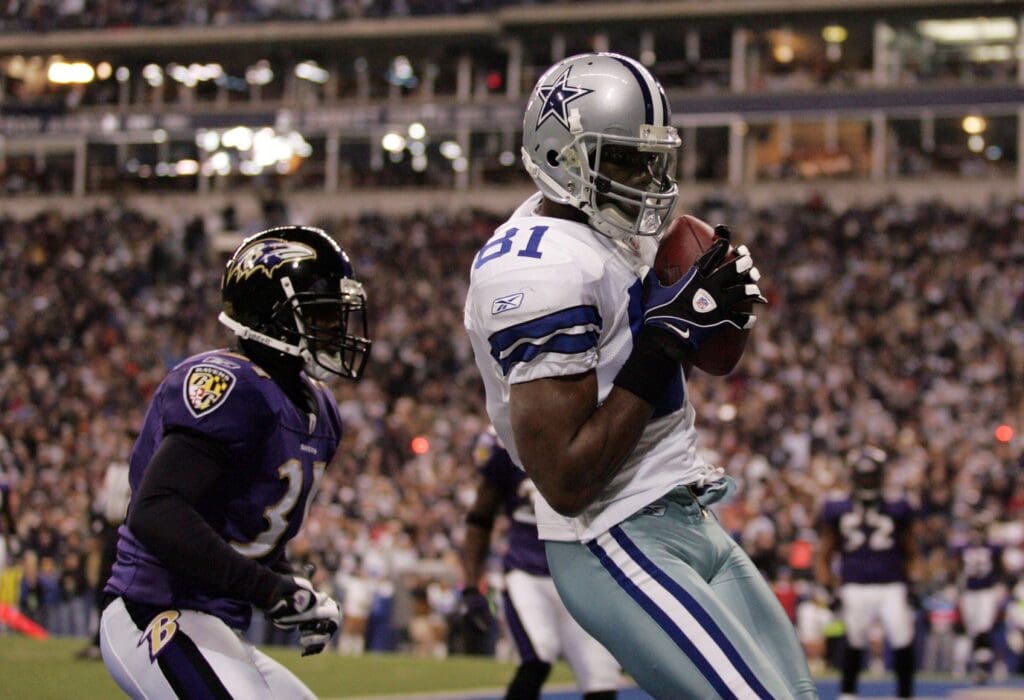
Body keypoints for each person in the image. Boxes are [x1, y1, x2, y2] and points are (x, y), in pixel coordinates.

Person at [463, 51, 816, 699]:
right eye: (625, 159)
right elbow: (566, 481)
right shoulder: (534, 266)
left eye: (654, 159)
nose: (649, 179)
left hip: (682, 510)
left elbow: (703, 350)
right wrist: (666, 340)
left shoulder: (611, 230)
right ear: (561, 152)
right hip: (611, 529)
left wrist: (714, 313)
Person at [100, 226, 372, 699]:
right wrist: (269, 590)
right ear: (271, 314)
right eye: (321, 313)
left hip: (220, 624)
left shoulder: (319, 410)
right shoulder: (232, 385)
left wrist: (293, 589)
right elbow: (158, 510)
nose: (335, 328)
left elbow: (247, 535)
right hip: (156, 608)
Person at [460, 428, 620, 700]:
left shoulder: (592, 438)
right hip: (528, 573)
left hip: (580, 579)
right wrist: (472, 586)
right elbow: (480, 519)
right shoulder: (507, 453)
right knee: (538, 656)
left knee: (602, 677)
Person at [816, 446, 918, 699]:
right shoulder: (837, 507)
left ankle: (905, 693)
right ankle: (848, 693)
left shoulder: (898, 507)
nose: (868, 481)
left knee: (902, 636)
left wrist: (913, 582)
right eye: (863, 476)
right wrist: (828, 586)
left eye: (872, 476)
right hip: (854, 584)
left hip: (891, 583)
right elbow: (825, 552)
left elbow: (911, 550)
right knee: (854, 638)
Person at [954, 519, 1005, 684]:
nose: (975, 534)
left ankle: (983, 666)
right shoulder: (963, 548)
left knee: (983, 628)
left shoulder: (992, 548)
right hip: (969, 593)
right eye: (973, 530)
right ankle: (974, 664)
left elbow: (999, 566)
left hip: (986, 592)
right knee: (972, 629)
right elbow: (957, 568)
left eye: (979, 530)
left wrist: (1000, 585)